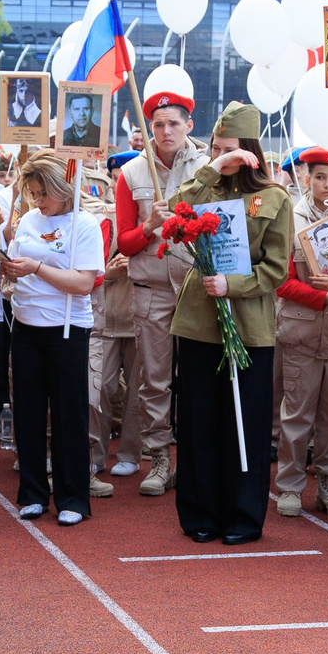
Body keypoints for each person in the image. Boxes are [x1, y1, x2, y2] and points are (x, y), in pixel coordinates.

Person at [166, 103, 293, 544]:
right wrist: (213, 169)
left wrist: (233, 284)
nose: (221, 155)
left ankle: (242, 515)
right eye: (216, 148)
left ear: (251, 149)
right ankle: (199, 511)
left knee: (245, 422)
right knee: (198, 419)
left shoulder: (274, 198)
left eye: (230, 149)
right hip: (199, 320)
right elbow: (174, 211)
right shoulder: (205, 186)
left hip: (248, 323)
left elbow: (276, 268)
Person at [0, 150, 103, 523]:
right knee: (27, 411)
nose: (37, 200)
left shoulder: (85, 224)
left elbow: (84, 283)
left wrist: (37, 268)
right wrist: (9, 269)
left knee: (68, 413)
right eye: (32, 192)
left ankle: (72, 497)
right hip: (26, 324)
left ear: (64, 187)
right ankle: (32, 492)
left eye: (44, 193)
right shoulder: (28, 219)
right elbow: (18, 266)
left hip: (67, 327)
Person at [113, 90, 209, 496]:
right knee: (154, 380)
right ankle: (159, 459)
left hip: (196, 289)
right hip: (151, 288)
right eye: (158, 124)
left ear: (189, 125)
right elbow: (124, 242)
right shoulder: (132, 173)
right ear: (148, 127)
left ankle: (194, 459)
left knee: (198, 379)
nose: (166, 131)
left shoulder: (208, 168)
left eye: (174, 123)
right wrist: (150, 224)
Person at [273, 145, 328, 520]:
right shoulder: (291, 217)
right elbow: (281, 280)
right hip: (301, 331)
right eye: (320, 176)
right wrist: (325, 297)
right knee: (296, 414)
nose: (327, 184)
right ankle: (289, 485)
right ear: (306, 178)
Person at [86, 153, 139, 494]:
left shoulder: (150, 216)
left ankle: (131, 452)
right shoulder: (99, 218)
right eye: (117, 178)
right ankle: (94, 452)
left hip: (139, 313)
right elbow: (89, 270)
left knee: (138, 390)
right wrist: (110, 272)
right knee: (100, 387)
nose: (120, 185)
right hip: (104, 314)